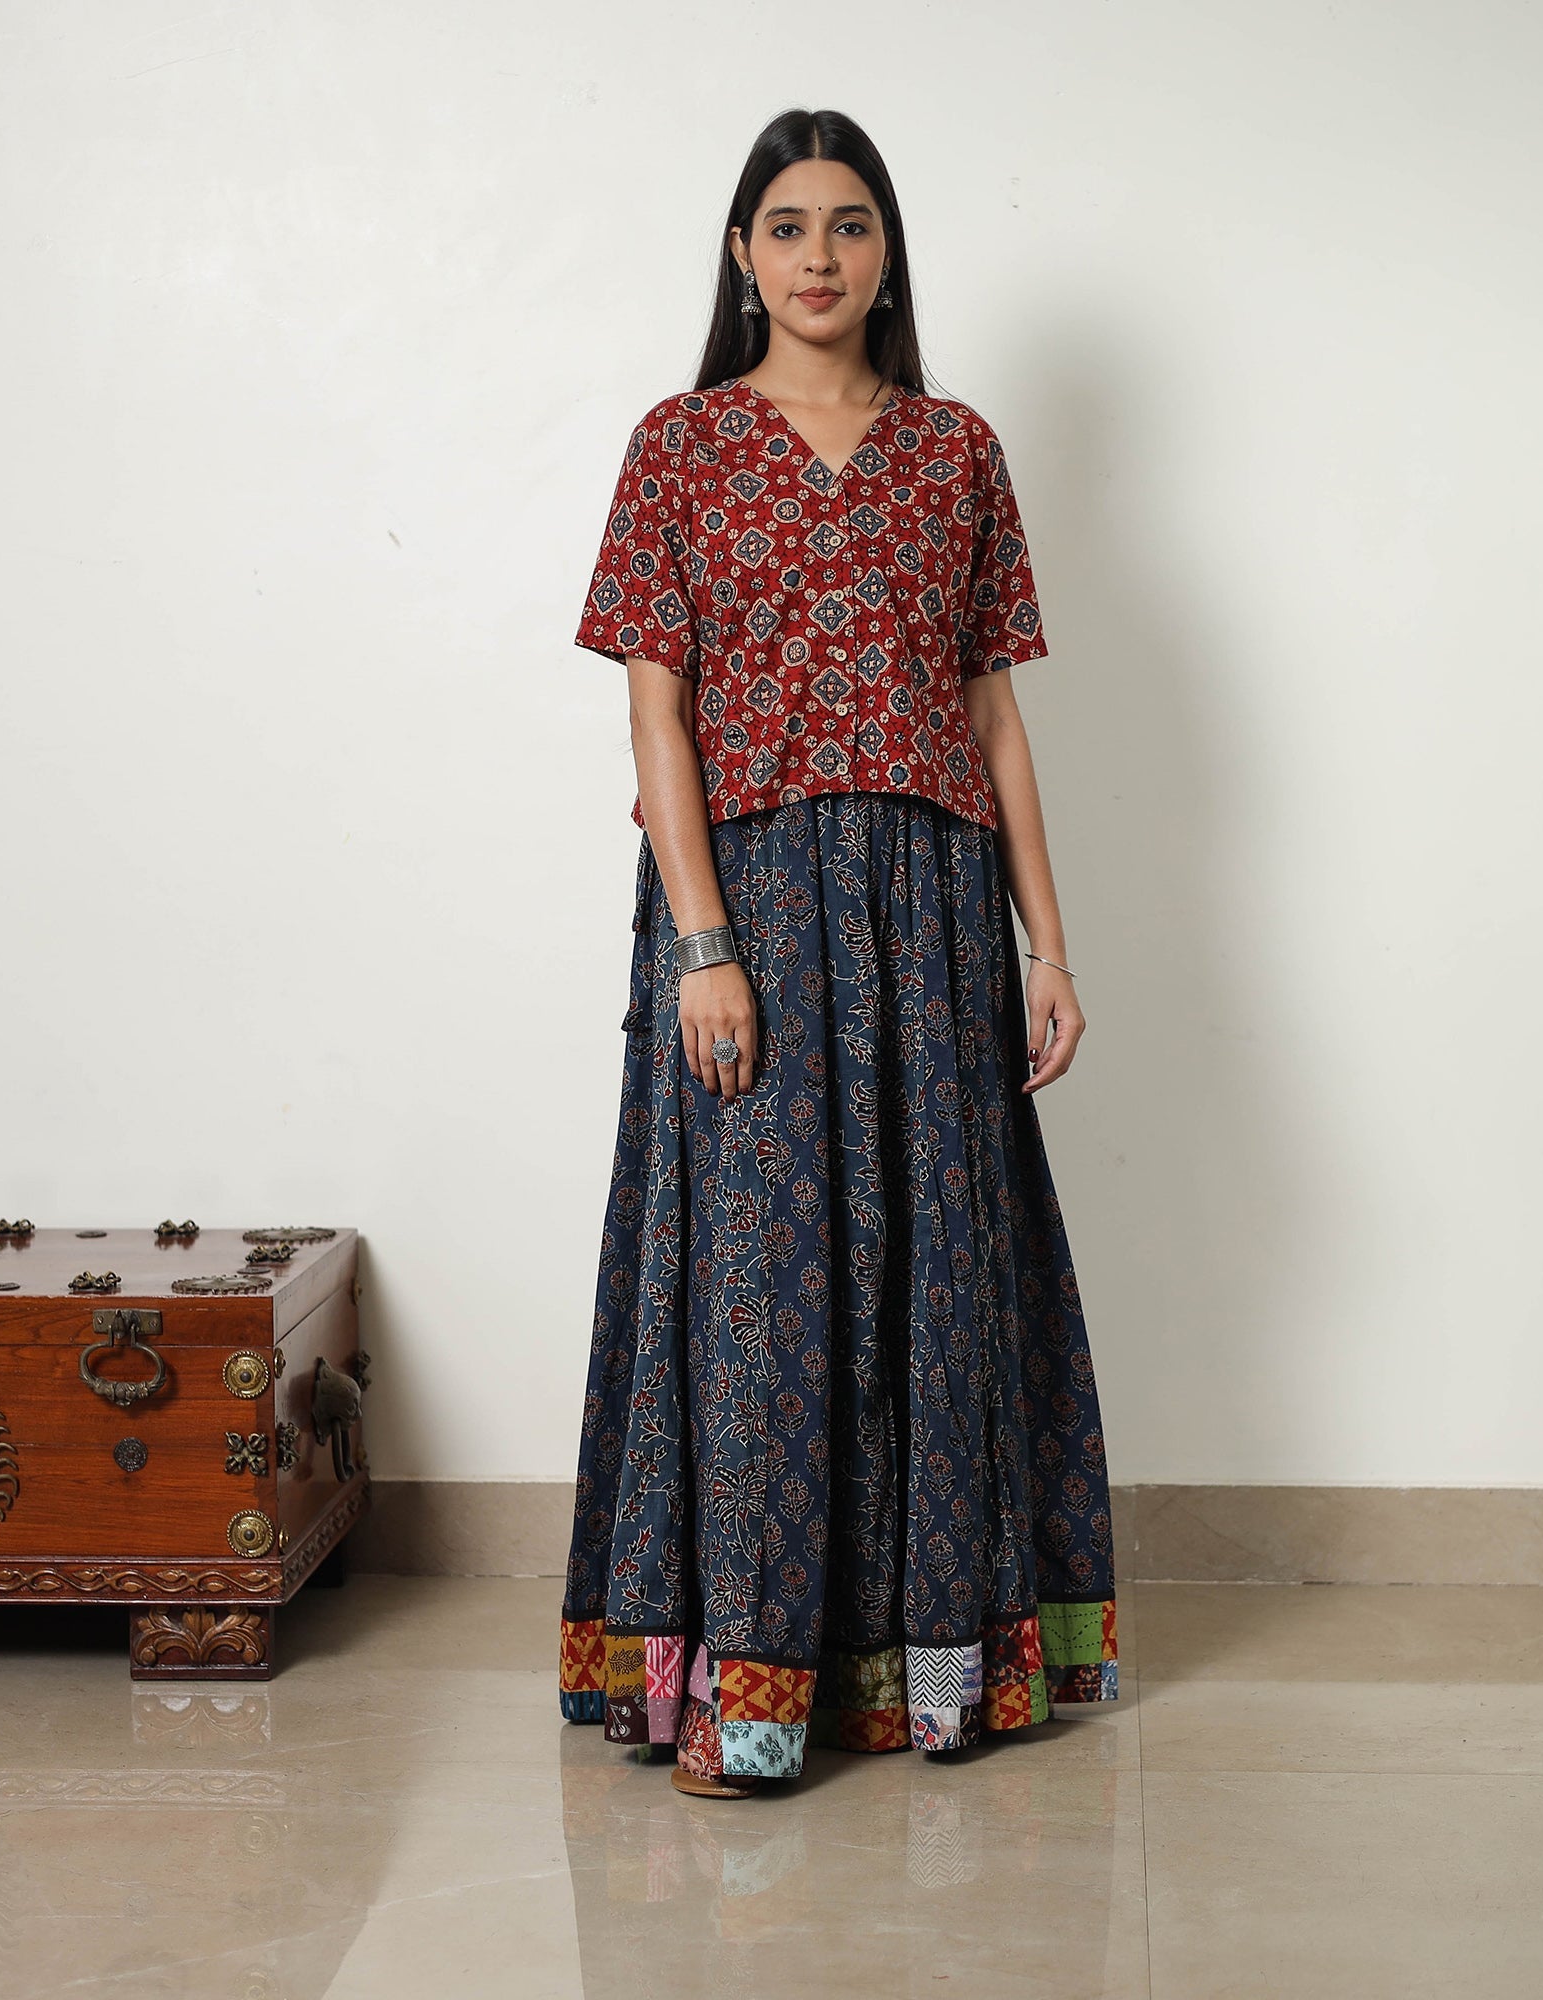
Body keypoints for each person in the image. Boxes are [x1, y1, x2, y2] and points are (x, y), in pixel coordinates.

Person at [557, 107, 1117, 1800]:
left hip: (932, 919)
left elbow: (992, 721)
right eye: (788, 226)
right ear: (742, 255)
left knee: (933, 1287)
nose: (819, 256)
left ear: (887, 253)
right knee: (753, 1293)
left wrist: (1048, 947)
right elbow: (657, 717)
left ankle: (930, 1671)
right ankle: (747, 1692)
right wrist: (704, 944)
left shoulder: (956, 451)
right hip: (749, 911)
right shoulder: (680, 447)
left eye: (850, 224)